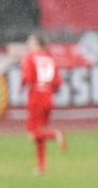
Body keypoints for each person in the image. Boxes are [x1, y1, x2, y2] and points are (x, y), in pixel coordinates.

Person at [20, 32, 67, 175]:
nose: (28, 44)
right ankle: (41, 167)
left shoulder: (30, 58)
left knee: (33, 134)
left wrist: (21, 87)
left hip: (36, 98)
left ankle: (55, 134)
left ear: (36, 43)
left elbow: (26, 77)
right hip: (48, 98)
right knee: (40, 132)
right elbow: (58, 83)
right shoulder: (50, 59)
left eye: (30, 41)